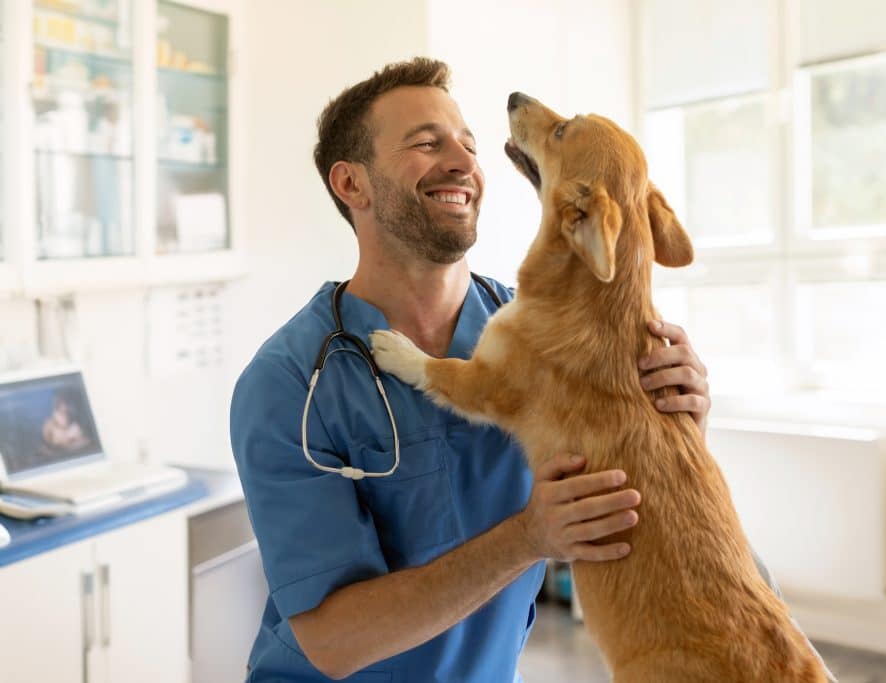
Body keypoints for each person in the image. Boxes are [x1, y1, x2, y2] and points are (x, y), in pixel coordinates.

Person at [230, 57, 713, 682]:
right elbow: (333, 640)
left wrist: (678, 427)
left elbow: (625, 511)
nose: (463, 164)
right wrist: (527, 538)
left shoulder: (549, 341)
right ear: (352, 185)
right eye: (427, 144)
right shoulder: (289, 383)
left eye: (469, 145)